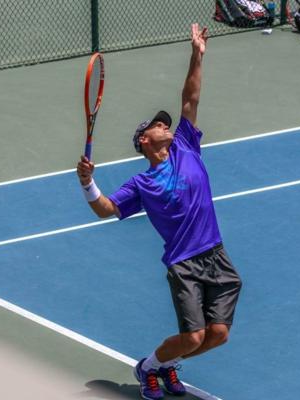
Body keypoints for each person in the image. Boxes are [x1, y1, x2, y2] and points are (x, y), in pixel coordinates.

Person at [76, 23, 242, 400]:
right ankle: (149, 367)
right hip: (184, 263)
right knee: (193, 336)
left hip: (215, 253)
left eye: (167, 122)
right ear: (144, 141)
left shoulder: (186, 145)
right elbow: (105, 209)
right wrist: (87, 183)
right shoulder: (141, 184)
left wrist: (196, 54)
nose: (166, 124)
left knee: (218, 335)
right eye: (158, 124)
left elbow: (190, 97)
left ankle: (165, 366)